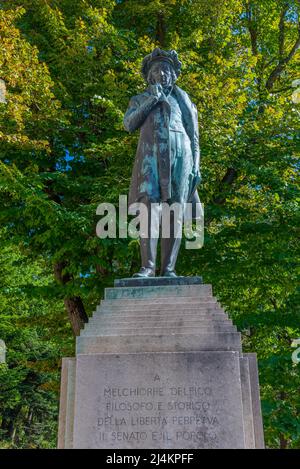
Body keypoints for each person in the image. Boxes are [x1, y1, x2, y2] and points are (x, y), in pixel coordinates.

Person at [123, 48, 201, 278]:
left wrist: (196, 165)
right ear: (150, 76)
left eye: (167, 69)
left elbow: (194, 135)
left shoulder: (184, 101)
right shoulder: (139, 99)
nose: (163, 73)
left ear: (173, 74)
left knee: (175, 211)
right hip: (151, 158)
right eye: (158, 69)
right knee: (149, 209)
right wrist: (152, 99)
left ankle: (168, 269)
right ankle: (147, 266)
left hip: (181, 157)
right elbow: (129, 124)